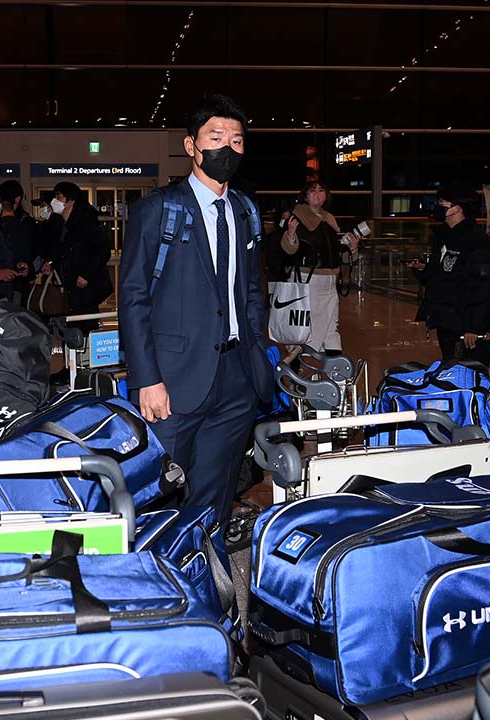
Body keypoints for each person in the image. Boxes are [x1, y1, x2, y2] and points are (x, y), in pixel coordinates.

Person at [119, 94, 274, 525]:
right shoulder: (158, 209)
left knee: (215, 495)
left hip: (236, 379)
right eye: (216, 137)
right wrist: (147, 378)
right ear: (191, 145)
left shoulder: (244, 210)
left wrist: (257, 352)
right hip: (172, 382)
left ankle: (209, 558)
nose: (228, 148)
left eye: (236, 140)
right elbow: (133, 297)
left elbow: (252, 290)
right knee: (158, 495)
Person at [409, 181, 490, 367]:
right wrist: (422, 270)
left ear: (458, 208)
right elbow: (442, 275)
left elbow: (486, 287)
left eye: (443, 203)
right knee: (449, 367)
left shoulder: (479, 243)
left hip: (464, 323)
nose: (438, 206)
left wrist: (474, 327)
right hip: (446, 318)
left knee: (466, 372)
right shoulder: (444, 237)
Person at [277, 181, 361, 352]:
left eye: (321, 190)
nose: (317, 194)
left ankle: (333, 361)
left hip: (329, 280)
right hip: (307, 279)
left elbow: (336, 252)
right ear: (305, 196)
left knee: (330, 324)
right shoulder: (296, 218)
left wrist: (352, 249)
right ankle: (300, 361)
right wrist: (290, 235)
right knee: (306, 327)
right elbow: (288, 250)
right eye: (312, 190)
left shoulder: (329, 219)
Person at [42, 181, 112, 318]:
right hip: (67, 288)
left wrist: (86, 275)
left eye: (59, 197)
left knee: (84, 321)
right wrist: (51, 263)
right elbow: (61, 251)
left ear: (71, 200)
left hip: (85, 288)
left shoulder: (86, 223)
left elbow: (103, 252)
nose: (55, 201)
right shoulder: (62, 225)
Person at [0, 179, 38, 303]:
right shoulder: (27, 222)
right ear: (18, 199)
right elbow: (33, 250)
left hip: (0, 280)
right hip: (20, 279)